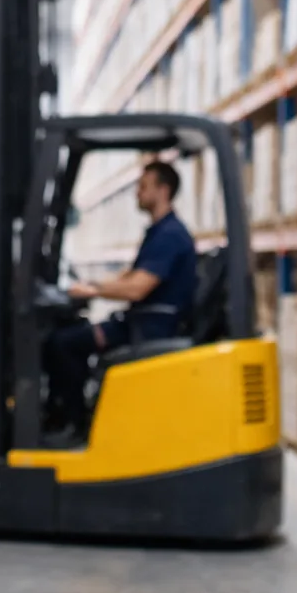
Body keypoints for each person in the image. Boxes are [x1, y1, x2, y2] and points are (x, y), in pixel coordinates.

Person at [43, 160, 198, 445]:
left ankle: (73, 426)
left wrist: (93, 292)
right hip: (142, 323)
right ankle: (76, 417)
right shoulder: (159, 231)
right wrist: (92, 285)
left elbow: (137, 289)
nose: (136, 193)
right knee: (73, 335)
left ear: (163, 191)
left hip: (150, 329)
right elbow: (131, 274)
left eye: (143, 187)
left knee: (63, 344)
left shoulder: (170, 235)